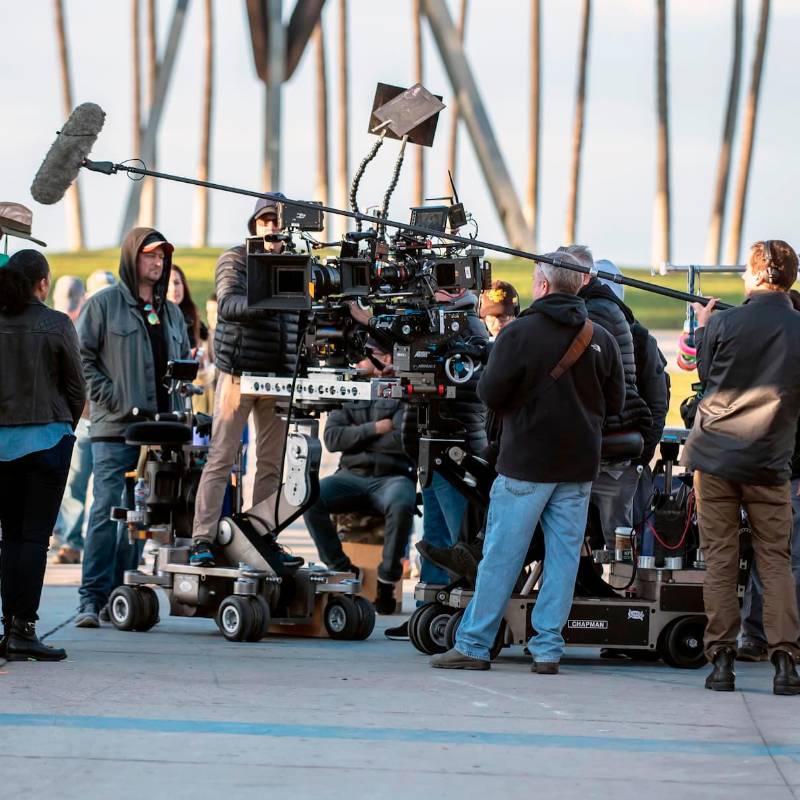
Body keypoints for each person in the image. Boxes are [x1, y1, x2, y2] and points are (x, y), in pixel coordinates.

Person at [431, 254, 625, 673]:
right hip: (577, 467)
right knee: (563, 558)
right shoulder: (601, 337)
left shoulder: (518, 334)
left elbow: (490, 393)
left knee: (502, 554)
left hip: (525, 464)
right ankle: (548, 649)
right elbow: (617, 404)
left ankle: (474, 643)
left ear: (542, 285)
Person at [683, 239, 800, 695]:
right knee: (776, 560)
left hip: (714, 456)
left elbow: (709, 380)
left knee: (720, 560)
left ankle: (722, 661)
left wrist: (708, 327)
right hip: (771, 460)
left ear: (753, 276)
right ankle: (786, 661)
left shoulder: (725, 323)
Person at [74, 228, 190, 628]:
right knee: (109, 512)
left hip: (159, 433)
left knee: (141, 519)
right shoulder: (103, 305)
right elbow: (81, 359)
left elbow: (184, 366)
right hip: (114, 430)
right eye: (149, 256)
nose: (157, 264)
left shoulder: (172, 313)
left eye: (162, 257)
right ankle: (91, 599)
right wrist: (114, 398)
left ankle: (118, 596)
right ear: (131, 258)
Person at [190, 197, 303, 568]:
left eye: (278, 221)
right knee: (222, 457)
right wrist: (270, 301)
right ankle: (202, 539)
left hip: (278, 376)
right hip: (238, 373)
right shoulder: (235, 259)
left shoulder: (296, 263)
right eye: (266, 220)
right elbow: (227, 305)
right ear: (254, 224)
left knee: (270, 465)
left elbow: (303, 320)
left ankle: (260, 539)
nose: (272, 227)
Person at [0, 250, 85, 661]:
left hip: (2, 446)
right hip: (48, 442)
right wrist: (66, 427)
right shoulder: (56, 324)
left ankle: (6, 629)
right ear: (43, 284)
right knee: (34, 539)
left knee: (9, 538)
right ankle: (24, 629)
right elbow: (77, 387)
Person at [303, 342, 417, 613]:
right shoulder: (350, 390)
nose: (356, 363)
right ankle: (342, 570)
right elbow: (331, 439)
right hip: (351, 476)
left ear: (386, 358)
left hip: (392, 476)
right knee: (309, 498)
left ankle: (387, 580)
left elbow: (403, 440)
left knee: (402, 503)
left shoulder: (403, 391)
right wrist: (376, 428)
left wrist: (354, 435)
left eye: (364, 357)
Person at [568, 246, 651, 548]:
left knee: (619, 542)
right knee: (615, 538)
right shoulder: (617, 320)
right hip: (613, 451)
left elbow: (653, 400)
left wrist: (639, 460)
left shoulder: (597, 318)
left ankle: (624, 587)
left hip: (612, 457)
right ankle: (617, 584)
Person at [50, 276, 91, 565]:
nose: (70, 312)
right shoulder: (53, 324)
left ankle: (73, 540)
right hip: (65, 415)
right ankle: (68, 537)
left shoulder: (88, 324)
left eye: (74, 306)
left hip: (85, 415)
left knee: (77, 481)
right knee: (71, 481)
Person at [167, 264, 208, 351]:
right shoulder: (156, 318)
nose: (173, 288)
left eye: (177, 283)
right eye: (167, 284)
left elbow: (208, 337)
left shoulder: (192, 315)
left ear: (184, 286)